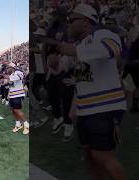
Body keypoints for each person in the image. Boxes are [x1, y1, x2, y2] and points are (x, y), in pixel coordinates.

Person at [58, 4, 127, 180]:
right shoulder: (80, 44)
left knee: (102, 156)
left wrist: (76, 51)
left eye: (72, 20)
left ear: (86, 22)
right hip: (87, 109)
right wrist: (75, 105)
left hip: (105, 107)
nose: (69, 24)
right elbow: (82, 78)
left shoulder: (102, 35)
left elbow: (113, 49)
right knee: (89, 155)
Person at [7, 63, 29, 135]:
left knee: (17, 110)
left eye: (8, 68)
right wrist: (8, 94)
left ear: (13, 68)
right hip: (12, 95)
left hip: (18, 94)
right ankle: (18, 124)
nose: (7, 69)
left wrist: (8, 78)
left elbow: (20, 77)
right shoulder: (10, 75)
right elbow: (11, 86)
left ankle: (26, 125)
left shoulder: (18, 72)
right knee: (13, 110)